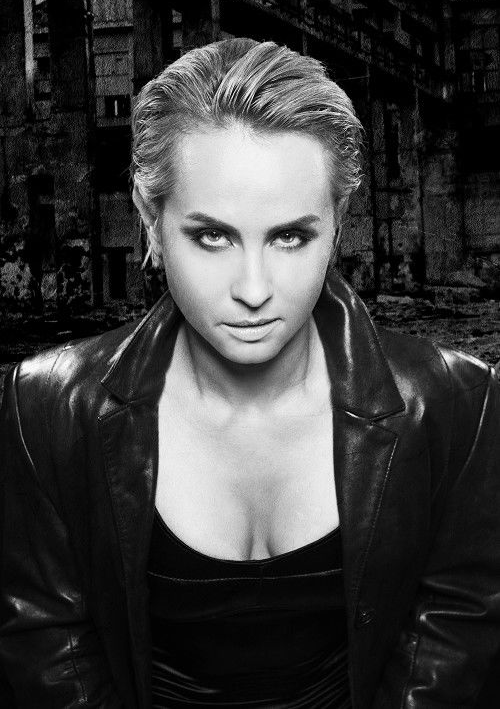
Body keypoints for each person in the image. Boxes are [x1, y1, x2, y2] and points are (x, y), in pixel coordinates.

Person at [0, 37, 499, 709]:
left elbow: (453, 640)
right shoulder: (44, 410)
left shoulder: (455, 403)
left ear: (339, 223)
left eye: (290, 236)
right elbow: (49, 652)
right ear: (151, 219)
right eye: (213, 236)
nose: (255, 290)